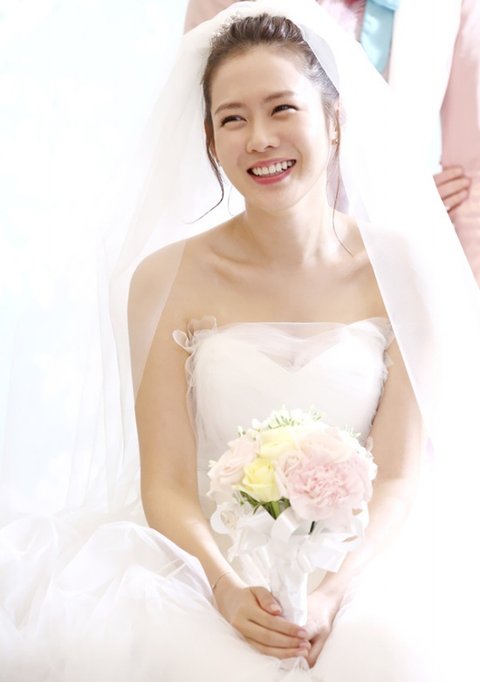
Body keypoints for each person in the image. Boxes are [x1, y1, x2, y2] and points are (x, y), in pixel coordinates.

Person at [1, 1, 480, 681]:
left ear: (334, 120)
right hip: (211, 561)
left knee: (390, 657)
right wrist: (226, 589)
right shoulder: (163, 278)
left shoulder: (405, 270)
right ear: (208, 139)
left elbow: (401, 475)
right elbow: (166, 481)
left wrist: (333, 592)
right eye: (232, 119)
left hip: (364, 562)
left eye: (283, 109)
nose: (259, 138)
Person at [184, 0, 480, 283]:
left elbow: (473, 172)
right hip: (261, 250)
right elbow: (211, 131)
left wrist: (415, 201)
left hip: (396, 250)